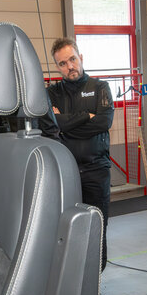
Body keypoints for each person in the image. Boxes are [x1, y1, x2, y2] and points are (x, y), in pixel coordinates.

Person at [42, 38, 114, 269]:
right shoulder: (51, 94)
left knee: (97, 226)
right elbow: (50, 125)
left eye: (72, 59)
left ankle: (95, 281)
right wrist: (86, 115)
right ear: (57, 67)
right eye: (62, 63)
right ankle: (72, 279)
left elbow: (104, 122)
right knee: (67, 228)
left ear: (80, 58)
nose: (69, 66)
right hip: (65, 172)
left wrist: (66, 123)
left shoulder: (100, 88)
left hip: (96, 171)